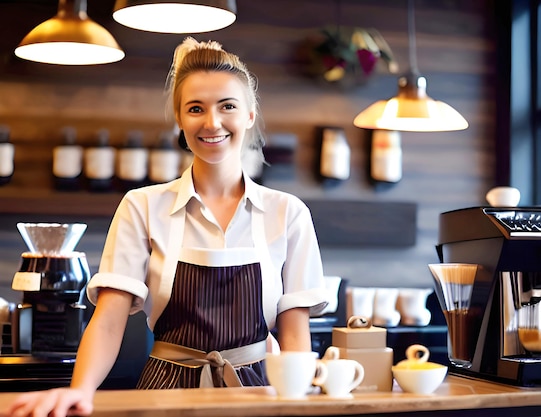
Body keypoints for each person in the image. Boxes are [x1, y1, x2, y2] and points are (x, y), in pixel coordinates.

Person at [6, 37, 329, 417]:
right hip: (164, 392)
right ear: (180, 118)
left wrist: (301, 404)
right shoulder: (141, 206)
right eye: (196, 108)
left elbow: (294, 331)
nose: (212, 123)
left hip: (261, 393)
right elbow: (108, 320)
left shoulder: (287, 212)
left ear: (248, 116)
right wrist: (79, 391)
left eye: (227, 106)